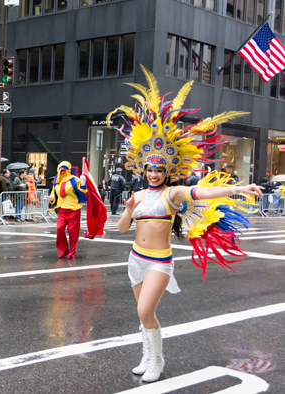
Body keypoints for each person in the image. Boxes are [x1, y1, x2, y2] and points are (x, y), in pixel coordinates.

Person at [111, 68, 259, 383]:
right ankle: (147, 355)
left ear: (168, 171)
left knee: (144, 312)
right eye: (150, 169)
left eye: (159, 170)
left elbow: (203, 191)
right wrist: (127, 210)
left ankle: (158, 360)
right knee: (144, 314)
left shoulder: (173, 193)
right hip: (135, 258)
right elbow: (123, 229)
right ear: (144, 168)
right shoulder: (136, 194)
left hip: (159, 262)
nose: (154, 174)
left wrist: (237, 189)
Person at [48, 161, 88, 259]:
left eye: (64, 168)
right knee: (59, 229)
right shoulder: (57, 180)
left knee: (72, 231)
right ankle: (63, 250)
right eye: (61, 168)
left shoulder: (74, 179)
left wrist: (83, 183)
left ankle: (72, 252)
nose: (62, 170)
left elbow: (83, 190)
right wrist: (51, 198)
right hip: (62, 210)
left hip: (73, 209)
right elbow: (54, 193)